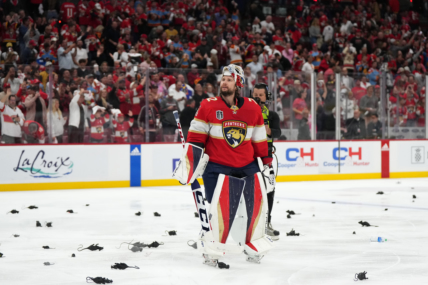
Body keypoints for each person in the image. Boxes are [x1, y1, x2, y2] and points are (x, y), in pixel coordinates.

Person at [173, 64, 273, 266]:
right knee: (220, 209)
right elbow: (196, 138)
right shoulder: (208, 105)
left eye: (228, 79)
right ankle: (212, 246)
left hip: (247, 165)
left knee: (255, 208)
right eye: (223, 79)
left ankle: (252, 244)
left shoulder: (253, 107)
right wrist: (190, 164)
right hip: (217, 167)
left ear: (238, 84)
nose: (223, 82)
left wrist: (267, 164)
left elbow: (260, 139)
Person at [252, 83, 281, 241]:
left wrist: (268, 130)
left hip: (266, 157)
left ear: (266, 97)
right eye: (255, 94)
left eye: (260, 95)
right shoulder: (246, 112)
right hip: (248, 157)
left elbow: (278, 132)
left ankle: (267, 222)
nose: (257, 97)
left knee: (269, 189)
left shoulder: (272, 115)